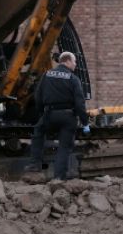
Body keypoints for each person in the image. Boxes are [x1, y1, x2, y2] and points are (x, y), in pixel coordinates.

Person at [24, 51, 90, 180]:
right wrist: (85, 123)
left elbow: (38, 97)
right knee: (64, 147)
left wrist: (42, 114)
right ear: (67, 61)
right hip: (67, 117)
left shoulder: (47, 75)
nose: (75, 65)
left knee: (38, 132)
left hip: (49, 114)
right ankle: (59, 178)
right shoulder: (73, 79)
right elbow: (80, 104)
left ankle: (35, 164)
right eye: (74, 62)